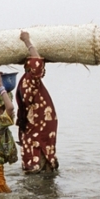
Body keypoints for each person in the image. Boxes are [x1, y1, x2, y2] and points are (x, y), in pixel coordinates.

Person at [15, 30, 59, 173]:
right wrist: (27, 41)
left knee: (41, 159)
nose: (43, 69)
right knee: (37, 160)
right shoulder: (29, 79)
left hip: (38, 128)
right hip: (38, 129)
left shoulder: (30, 82)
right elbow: (37, 64)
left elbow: (38, 64)